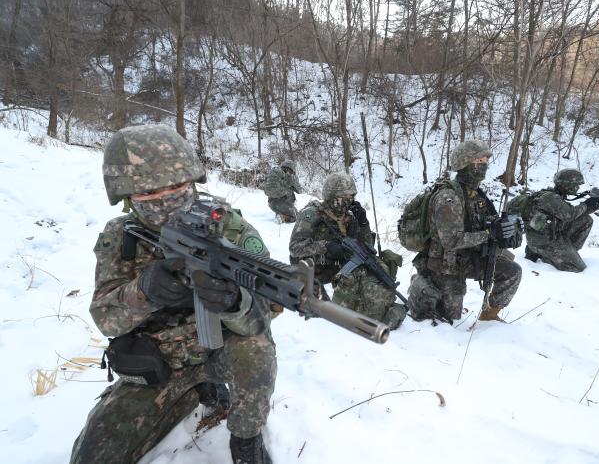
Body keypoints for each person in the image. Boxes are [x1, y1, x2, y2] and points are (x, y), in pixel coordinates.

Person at [70, 125, 276, 464]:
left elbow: (264, 315)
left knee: (256, 350)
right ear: (127, 198)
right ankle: (192, 393)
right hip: (158, 364)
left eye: (178, 188)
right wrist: (144, 290)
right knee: (93, 455)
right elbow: (105, 319)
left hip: (222, 352)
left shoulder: (228, 228)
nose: (166, 200)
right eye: (149, 195)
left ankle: (246, 442)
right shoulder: (122, 237)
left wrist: (234, 302)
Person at [407, 140, 522, 323]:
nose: (484, 165)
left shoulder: (477, 195)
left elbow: (490, 225)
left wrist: (508, 233)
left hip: (469, 258)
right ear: (464, 163)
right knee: (450, 319)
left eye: (485, 161)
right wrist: (489, 234)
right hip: (445, 265)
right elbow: (451, 240)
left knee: (512, 271)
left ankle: (489, 316)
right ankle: (422, 282)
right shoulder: (448, 197)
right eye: (479, 160)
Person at [288, 172, 406, 330]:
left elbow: (366, 248)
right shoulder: (311, 214)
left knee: (372, 270)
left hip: (337, 267)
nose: (349, 201)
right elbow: (295, 247)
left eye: (352, 197)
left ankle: (378, 302)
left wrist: (363, 222)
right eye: (345, 197)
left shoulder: (348, 218)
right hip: (312, 271)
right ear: (331, 195)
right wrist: (326, 247)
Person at [523, 168, 599, 272]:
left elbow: (576, 214)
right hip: (544, 242)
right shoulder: (550, 198)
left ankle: (566, 252)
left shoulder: (554, 195)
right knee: (577, 268)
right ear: (567, 184)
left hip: (549, 235)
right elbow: (570, 214)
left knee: (586, 220)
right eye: (576, 184)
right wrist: (588, 202)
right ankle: (545, 254)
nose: (578, 187)